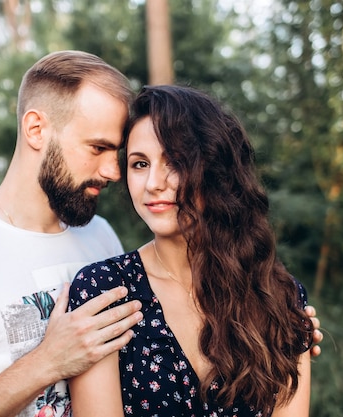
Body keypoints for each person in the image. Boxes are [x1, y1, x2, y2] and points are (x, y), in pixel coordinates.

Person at [0, 51, 322, 417]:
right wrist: (47, 363)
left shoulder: (99, 237)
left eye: (121, 154)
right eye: (99, 148)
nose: (115, 172)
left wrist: (276, 318)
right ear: (36, 128)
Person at [68, 85, 313, 417]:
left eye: (175, 161)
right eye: (140, 164)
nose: (153, 182)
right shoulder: (104, 291)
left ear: (215, 168)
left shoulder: (277, 295)